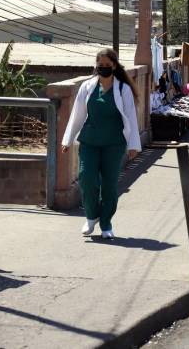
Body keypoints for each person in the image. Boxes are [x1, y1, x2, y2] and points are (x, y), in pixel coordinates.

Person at [61, 48, 141, 239]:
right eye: (100, 64)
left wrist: (133, 145)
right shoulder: (87, 86)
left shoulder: (122, 89)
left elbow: (131, 117)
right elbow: (77, 114)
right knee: (86, 179)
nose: (103, 67)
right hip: (89, 142)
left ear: (114, 65)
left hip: (114, 144)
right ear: (96, 65)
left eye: (107, 65)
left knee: (109, 186)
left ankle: (106, 224)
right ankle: (92, 216)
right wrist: (68, 139)